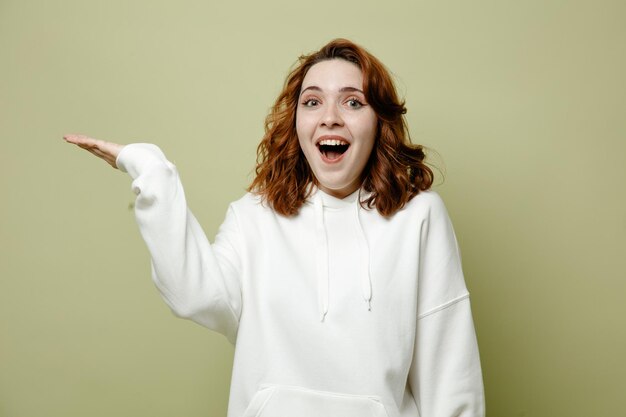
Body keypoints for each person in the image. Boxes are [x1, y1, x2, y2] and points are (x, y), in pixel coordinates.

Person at [64, 38, 485, 417]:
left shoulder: (419, 216)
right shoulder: (255, 216)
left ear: (379, 123)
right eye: (313, 102)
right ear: (296, 122)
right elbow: (193, 294)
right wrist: (153, 176)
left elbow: (450, 370)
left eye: (353, 102)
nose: (331, 118)